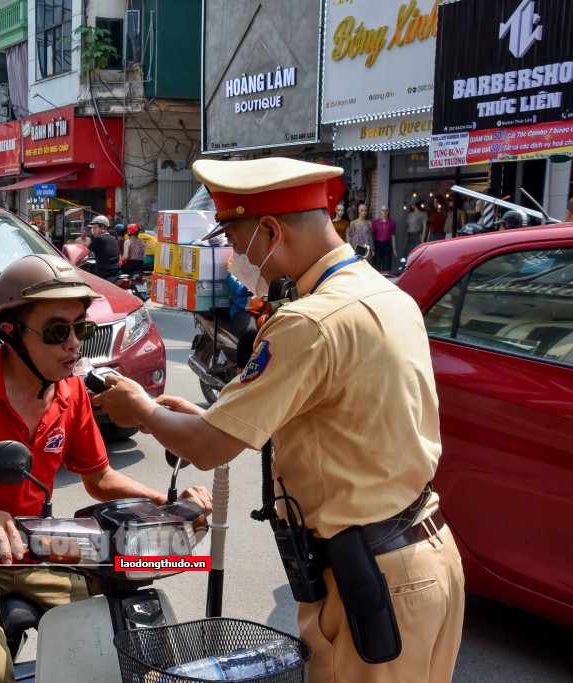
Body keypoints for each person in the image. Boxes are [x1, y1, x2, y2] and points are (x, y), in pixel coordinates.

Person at [93, 157, 465, 683]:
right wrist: (207, 416)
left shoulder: (308, 322)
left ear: (271, 231)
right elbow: (334, 417)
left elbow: (206, 448)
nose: (243, 263)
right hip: (423, 558)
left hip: (373, 574)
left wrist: (143, 411)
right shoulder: (383, 293)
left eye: (238, 243)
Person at [0, 253, 210, 683]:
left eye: (79, 328)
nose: (74, 345)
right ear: (11, 332)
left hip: (32, 549)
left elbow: (99, 480)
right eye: (57, 331)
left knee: (121, 634)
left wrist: (168, 504)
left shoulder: (71, 393)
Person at [87, 215, 121, 281]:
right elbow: (119, 257)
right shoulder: (114, 239)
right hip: (117, 273)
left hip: (104, 274)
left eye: (95, 228)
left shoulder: (98, 239)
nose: (93, 230)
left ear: (102, 227)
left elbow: (85, 252)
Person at [370, 205, 396, 272]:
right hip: (377, 244)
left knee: (387, 265)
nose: (384, 212)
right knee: (376, 264)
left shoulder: (392, 223)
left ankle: (386, 280)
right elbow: (372, 235)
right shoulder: (375, 222)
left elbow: (393, 236)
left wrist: (394, 249)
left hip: (387, 244)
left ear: (388, 211)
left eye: (386, 210)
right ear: (380, 211)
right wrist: (372, 248)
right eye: (382, 210)